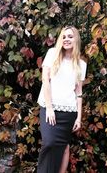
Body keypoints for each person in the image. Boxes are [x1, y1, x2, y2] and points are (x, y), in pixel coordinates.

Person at [37, 26, 87, 173]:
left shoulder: (81, 64)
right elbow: (45, 81)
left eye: (70, 36)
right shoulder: (52, 54)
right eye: (64, 37)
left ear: (76, 40)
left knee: (64, 146)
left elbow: (78, 92)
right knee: (49, 143)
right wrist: (50, 108)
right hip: (49, 109)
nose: (66, 39)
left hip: (69, 112)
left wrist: (78, 117)